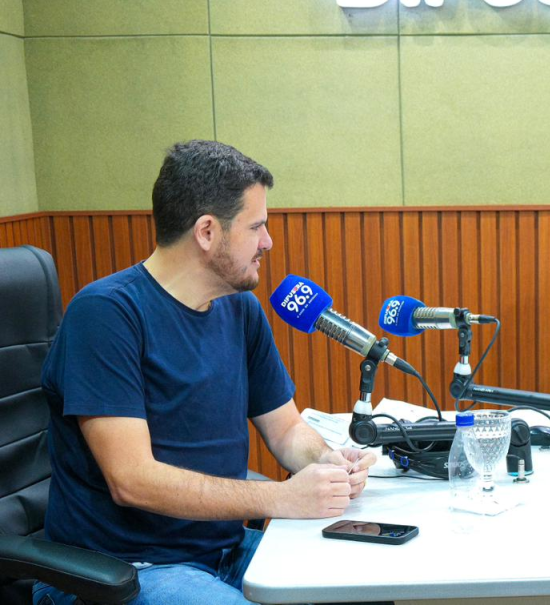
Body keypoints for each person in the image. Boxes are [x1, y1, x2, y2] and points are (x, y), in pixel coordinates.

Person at [35, 140, 377, 605]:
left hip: (222, 551)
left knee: (364, 584)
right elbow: (132, 480)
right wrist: (281, 498)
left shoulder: (240, 309)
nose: (267, 242)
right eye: (256, 227)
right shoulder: (105, 314)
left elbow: (286, 430)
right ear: (207, 231)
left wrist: (327, 462)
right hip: (122, 570)